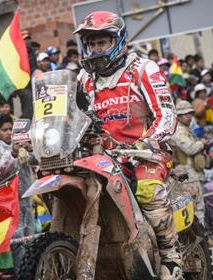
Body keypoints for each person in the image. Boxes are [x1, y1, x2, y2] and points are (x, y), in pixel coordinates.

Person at [75, 11, 181, 279]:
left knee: (147, 190)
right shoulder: (83, 79)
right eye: (92, 43)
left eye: (103, 42)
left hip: (144, 153)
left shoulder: (142, 69)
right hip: (100, 157)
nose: (96, 49)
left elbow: (166, 113)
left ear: (118, 41)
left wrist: (148, 142)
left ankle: (171, 257)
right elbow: (68, 118)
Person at [0, 114, 35, 278]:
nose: (8, 133)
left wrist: (32, 148)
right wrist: (12, 154)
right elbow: (0, 172)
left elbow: (35, 162)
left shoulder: (20, 143)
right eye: (4, 130)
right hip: (6, 203)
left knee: (29, 237)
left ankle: (29, 272)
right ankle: (20, 275)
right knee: (16, 240)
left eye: (10, 130)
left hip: (25, 198)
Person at [169, 101, 208, 225]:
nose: (189, 117)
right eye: (185, 114)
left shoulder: (186, 129)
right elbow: (190, 149)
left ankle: (202, 238)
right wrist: (202, 143)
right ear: (178, 116)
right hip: (187, 172)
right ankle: (201, 239)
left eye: (190, 114)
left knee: (197, 205)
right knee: (196, 206)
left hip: (191, 171)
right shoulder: (179, 131)